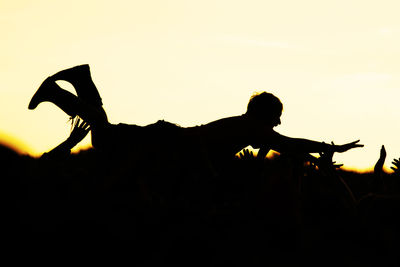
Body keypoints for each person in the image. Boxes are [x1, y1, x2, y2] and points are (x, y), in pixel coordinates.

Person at [28, 64, 363, 169]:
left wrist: (319, 156)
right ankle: (64, 89)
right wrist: (329, 148)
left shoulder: (247, 127)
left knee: (104, 133)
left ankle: (80, 80)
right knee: (102, 136)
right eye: (276, 117)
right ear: (265, 116)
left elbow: (286, 145)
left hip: (167, 140)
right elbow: (288, 142)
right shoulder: (251, 129)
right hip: (165, 143)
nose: (278, 124)